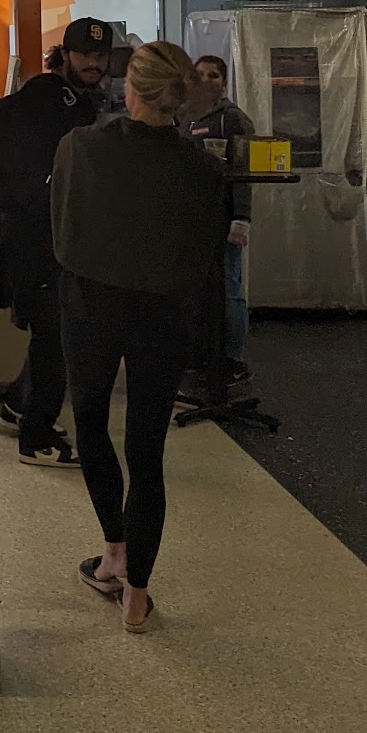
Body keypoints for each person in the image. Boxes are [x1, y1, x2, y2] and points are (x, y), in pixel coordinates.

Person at [52, 41, 228, 633]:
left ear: (130, 88)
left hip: (91, 305)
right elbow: (207, 252)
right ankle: (137, 597)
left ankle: (114, 553)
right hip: (165, 314)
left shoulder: (81, 147)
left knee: (92, 424)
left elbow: (62, 235)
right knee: (147, 451)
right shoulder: (203, 169)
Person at [0, 17, 115, 467]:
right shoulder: (50, 102)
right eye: (85, 55)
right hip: (38, 240)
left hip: (41, 236)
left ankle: (18, 406)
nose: (94, 63)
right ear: (65, 55)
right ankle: (36, 439)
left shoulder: (68, 100)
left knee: (51, 333)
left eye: (100, 56)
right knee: (54, 339)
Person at [184, 55, 254, 378]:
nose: (205, 80)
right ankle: (202, 355)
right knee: (198, 289)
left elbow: (245, 171)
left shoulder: (233, 119)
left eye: (213, 75)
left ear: (224, 83)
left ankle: (233, 359)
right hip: (192, 219)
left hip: (225, 217)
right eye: (199, 74)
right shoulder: (184, 118)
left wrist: (242, 217)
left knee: (230, 288)